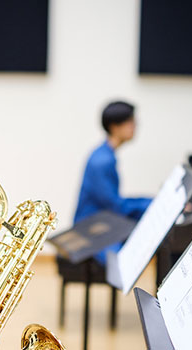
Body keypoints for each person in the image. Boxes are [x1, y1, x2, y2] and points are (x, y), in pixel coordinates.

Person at [74, 100, 152, 265]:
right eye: (131, 122)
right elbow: (116, 206)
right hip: (90, 226)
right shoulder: (102, 160)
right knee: (122, 261)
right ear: (115, 127)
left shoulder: (105, 153)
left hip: (101, 219)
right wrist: (152, 203)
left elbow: (115, 202)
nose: (135, 126)